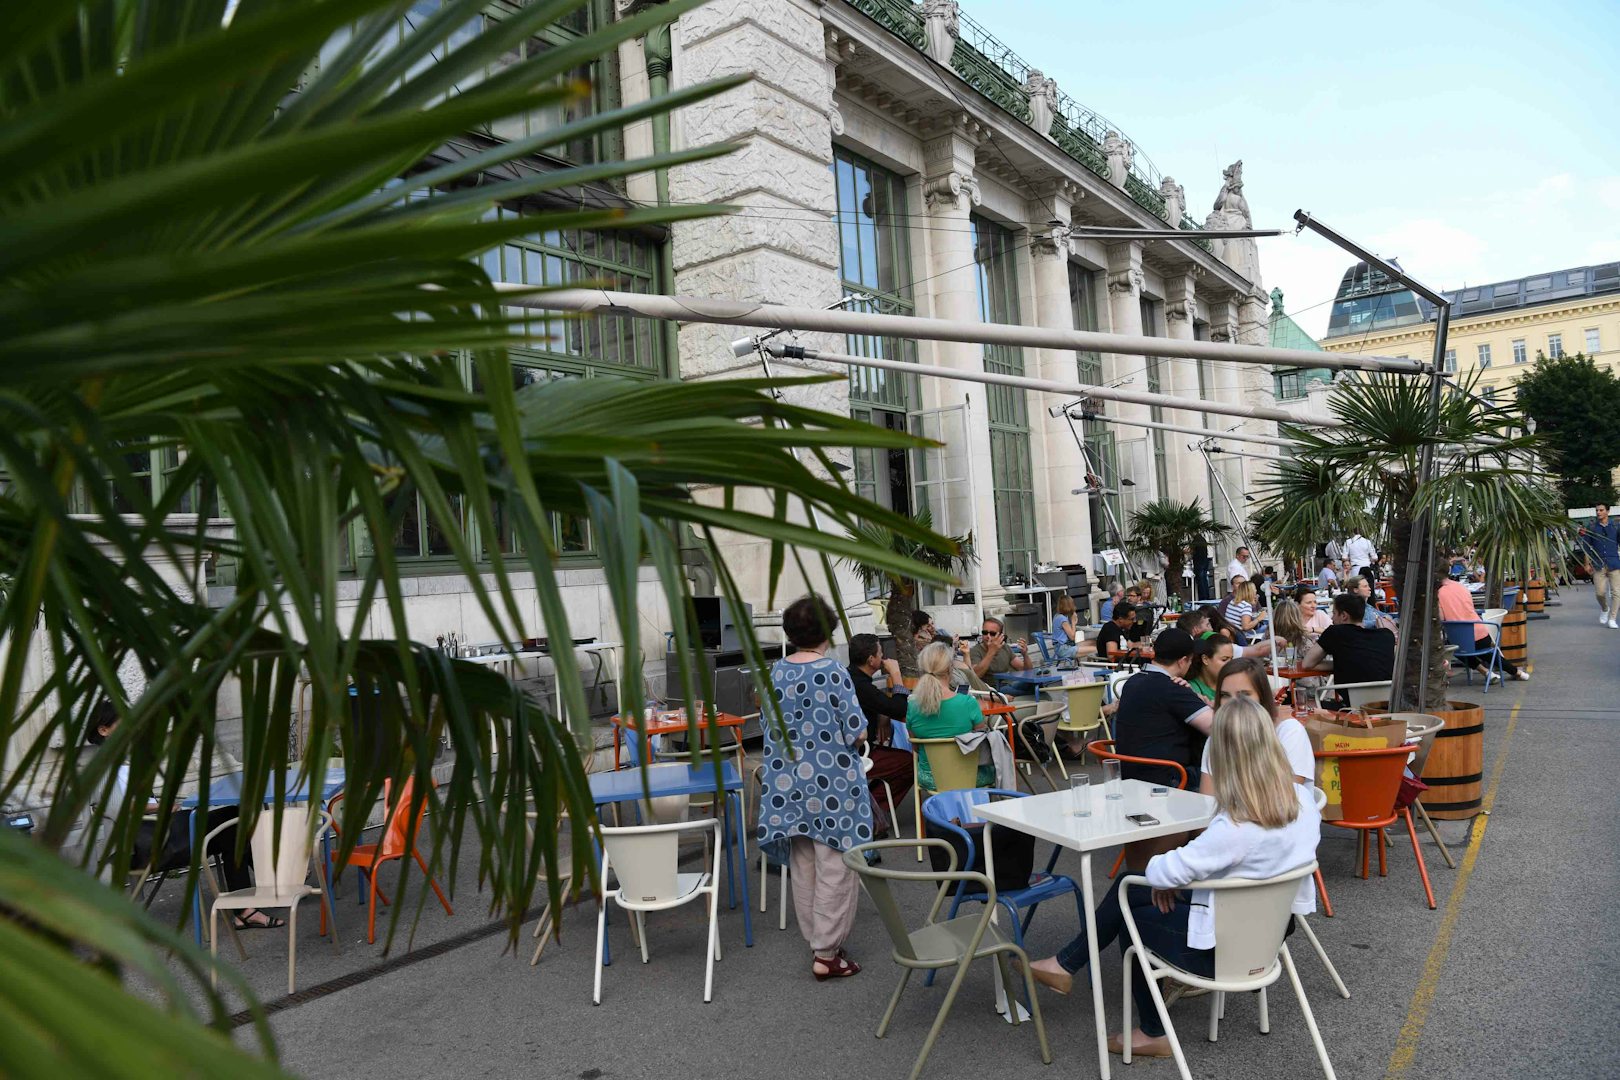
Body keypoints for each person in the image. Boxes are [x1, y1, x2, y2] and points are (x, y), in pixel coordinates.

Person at [1024, 694, 1321, 1066]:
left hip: (1221, 951)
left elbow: (1163, 869)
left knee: (1131, 900)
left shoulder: (1235, 825)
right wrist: (1176, 878)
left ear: (1223, 754)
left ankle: (1150, 1029)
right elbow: (1226, 865)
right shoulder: (1303, 804)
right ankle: (1065, 965)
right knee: (1133, 889)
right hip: (1271, 934)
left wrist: (1171, 879)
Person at [87, 702, 283, 930]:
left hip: (162, 831)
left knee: (233, 823)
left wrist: (163, 804)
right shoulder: (104, 767)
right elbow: (123, 807)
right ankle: (271, 884)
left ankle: (251, 904)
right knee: (233, 819)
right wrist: (163, 807)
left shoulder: (122, 762)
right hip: (151, 844)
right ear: (104, 730)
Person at [759, 595, 873, 980]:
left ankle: (819, 942)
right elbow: (856, 730)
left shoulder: (775, 672)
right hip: (833, 786)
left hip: (787, 784)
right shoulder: (833, 672)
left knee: (803, 863)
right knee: (836, 864)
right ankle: (826, 951)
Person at [1110, 628, 1214, 790]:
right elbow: (1218, 728)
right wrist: (1204, 702)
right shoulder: (1172, 688)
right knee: (1228, 771)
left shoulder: (1132, 682)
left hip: (1129, 775)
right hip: (1168, 779)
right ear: (1182, 661)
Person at [846, 634, 921, 834]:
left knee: (900, 758)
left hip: (854, 747)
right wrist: (896, 674)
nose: (883, 658)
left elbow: (880, 705)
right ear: (871, 660)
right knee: (909, 763)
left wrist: (881, 714)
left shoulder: (850, 677)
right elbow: (899, 709)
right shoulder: (861, 685)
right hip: (858, 752)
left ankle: (869, 804)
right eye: (880, 654)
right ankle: (869, 811)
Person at [1201, 657, 1313, 787]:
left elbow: (1286, 799)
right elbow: (1208, 798)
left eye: (1244, 694)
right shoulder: (1217, 737)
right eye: (1225, 695)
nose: (1233, 702)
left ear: (1262, 696)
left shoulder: (1289, 732)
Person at [905, 642, 995, 789]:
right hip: (970, 775)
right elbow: (980, 743)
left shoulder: (913, 707)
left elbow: (916, 748)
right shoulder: (967, 703)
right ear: (949, 669)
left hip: (931, 778)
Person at [1300, 594, 1395, 698]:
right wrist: (1345, 662)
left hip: (1351, 708)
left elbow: (1306, 664)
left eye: (1334, 613)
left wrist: (1341, 663)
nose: (1332, 618)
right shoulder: (1386, 635)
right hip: (1386, 704)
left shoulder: (1335, 632)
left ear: (1344, 616)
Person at [1436, 577, 1529, 682]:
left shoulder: (1438, 593)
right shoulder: (1461, 586)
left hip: (1459, 638)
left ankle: (1486, 672)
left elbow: (1441, 618)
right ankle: (1517, 672)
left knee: (1454, 648)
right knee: (1489, 655)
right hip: (1480, 632)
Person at [1578, 503, 1620, 628]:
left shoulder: (1616, 527)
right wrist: (1586, 564)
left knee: (1617, 592)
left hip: (1614, 563)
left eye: (1601, 510)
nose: (1598, 512)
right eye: (1597, 510)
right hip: (1598, 564)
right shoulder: (1591, 527)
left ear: (1607, 511)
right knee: (1600, 593)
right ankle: (1605, 608)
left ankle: (1612, 618)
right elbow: (1586, 547)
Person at [968, 616, 1029, 680]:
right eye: (985, 633)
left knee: (1032, 684)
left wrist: (1025, 655)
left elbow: (1026, 671)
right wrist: (991, 652)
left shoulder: (1005, 647)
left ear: (1000, 636)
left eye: (992, 634)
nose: (988, 636)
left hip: (1010, 683)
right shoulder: (975, 651)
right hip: (992, 687)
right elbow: (976, 675)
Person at [1186, 635, 1234, 703]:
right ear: (1205, 659)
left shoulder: (1234, 683)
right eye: (1224, 659)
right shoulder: (1192, 689)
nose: (1230, 664)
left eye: (1231, 659)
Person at [1226, 579, 1263, 644]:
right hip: (1240, 636)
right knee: (1268, 627)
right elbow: (1246, 627)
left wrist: (1253, 605)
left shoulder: (1232, 601)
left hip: (1232, 633)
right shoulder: (1246, 605)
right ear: (1250, 591)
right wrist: (1259, 618)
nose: (1256, 591)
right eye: (1254, 589)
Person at [1050, 594, 1082, 659]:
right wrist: (1073, 623)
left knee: (1091, 644)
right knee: (1093, 649)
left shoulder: (1058, 616)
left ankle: (1082, 665)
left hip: (1062, 647)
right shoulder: (1062, 619)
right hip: (1063, 649)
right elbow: (1072, 637)